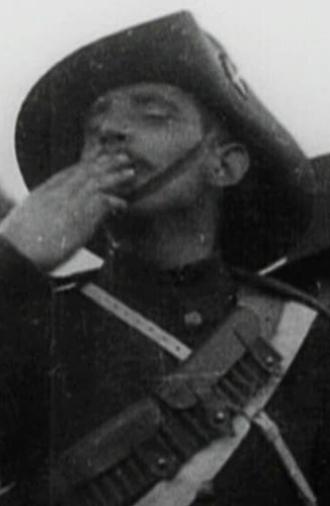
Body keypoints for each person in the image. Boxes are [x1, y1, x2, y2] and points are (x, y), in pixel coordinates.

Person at [0, 11, 329, 506]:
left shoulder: (306, 341)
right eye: (95, 123)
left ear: (223, 164)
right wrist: (12, 258)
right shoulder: (34, 320)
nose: (109, 128)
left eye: (153, 113)